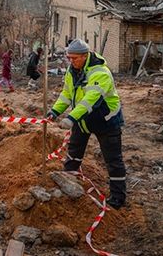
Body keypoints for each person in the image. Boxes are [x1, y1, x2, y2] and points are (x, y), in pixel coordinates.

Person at [46, 39, 126, 210]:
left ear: (85, 55)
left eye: (74, 58)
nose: (70, 61)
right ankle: (67, 182)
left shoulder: (100, 72)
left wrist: (71, 118)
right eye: (69, 58)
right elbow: (67, 94)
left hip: (106, 121)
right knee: (74, 153)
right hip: (83, 121)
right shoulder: (72, 70)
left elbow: (90, 100)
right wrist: (55, 111)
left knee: (113, 160)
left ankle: (118, 197)